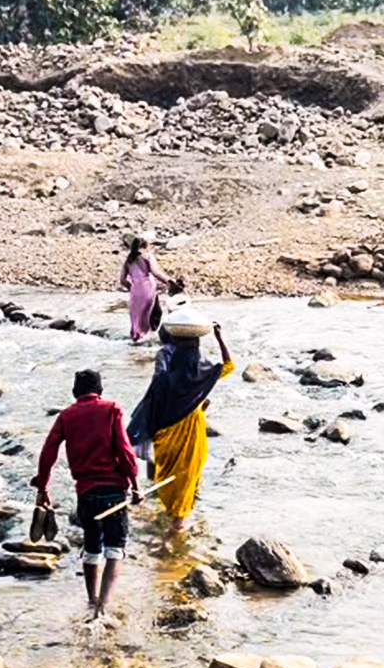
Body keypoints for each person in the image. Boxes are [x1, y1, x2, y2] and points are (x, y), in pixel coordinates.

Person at [32, 369, 141, 621]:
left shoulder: (66, 416)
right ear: (100, 390)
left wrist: (43, 488)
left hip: (86, 493)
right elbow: (124, 451)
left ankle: (91, 601)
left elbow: (48, 452)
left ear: (74, 392)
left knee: (92, 548)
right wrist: (135, 485)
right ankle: (103, 606)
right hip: (114, 492)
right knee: (115, 550)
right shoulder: (111, 410)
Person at [127, 322, 234, 531]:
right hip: (193, 432)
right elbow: (229, 366)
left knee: (166, 477)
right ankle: (178, 530)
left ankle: (169, 521)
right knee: (188, 477)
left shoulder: (164, 381)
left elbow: (152, 400)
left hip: (165, 434)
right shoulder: (202, 376)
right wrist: (220, 338)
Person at [119, 233, 174, 344]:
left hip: (135, 291)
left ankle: (137, 336)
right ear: (145, 246)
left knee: (137, 315)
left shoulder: (128, 260)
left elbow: (122, 280)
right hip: (148, 288)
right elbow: (155, 272)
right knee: (154, 312)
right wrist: (169, 281)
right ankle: (151, 336)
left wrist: (132, 287)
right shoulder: (148, 257)